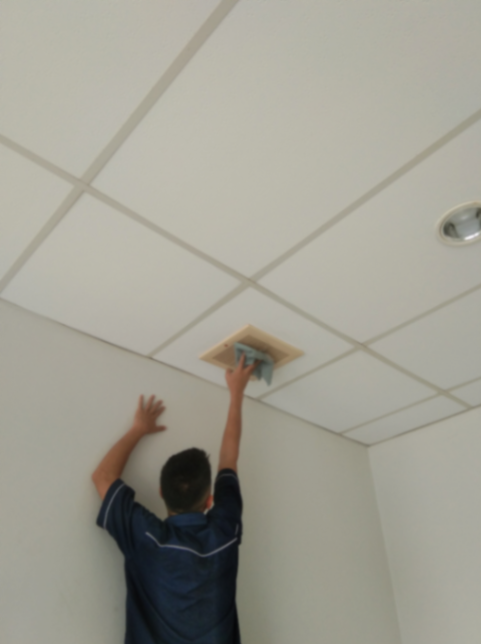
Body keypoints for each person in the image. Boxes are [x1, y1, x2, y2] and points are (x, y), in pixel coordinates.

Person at [91, 354, 257, 644]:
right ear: (209, 501)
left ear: (161, 492)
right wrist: (236, 393)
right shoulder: (224, 534)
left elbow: (103, 477)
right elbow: (229, 459)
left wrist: (138, 429)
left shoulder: (147, 539)